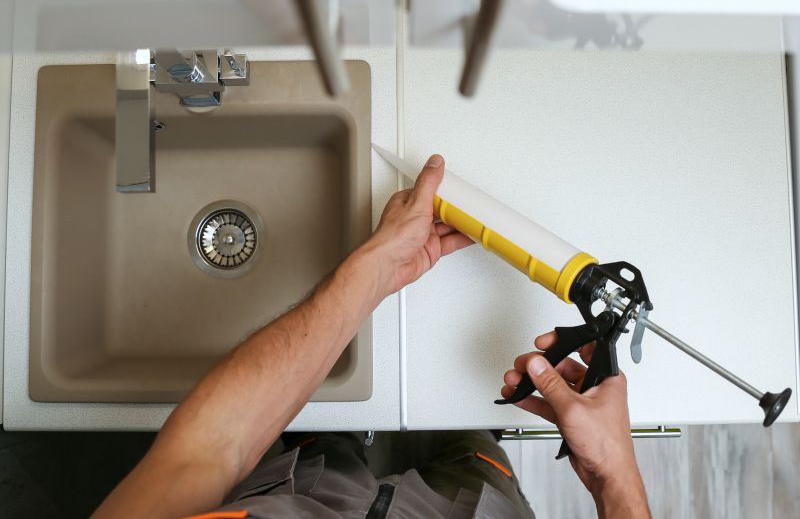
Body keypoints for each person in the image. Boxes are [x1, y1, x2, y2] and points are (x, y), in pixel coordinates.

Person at [93, 155, 650, 519]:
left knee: (327, 443)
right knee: (469, 448)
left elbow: (215, 447)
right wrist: (613, 476)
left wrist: (376, 269)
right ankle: (467, 440)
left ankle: (349, 438)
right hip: (473, 505)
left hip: (307, 489)